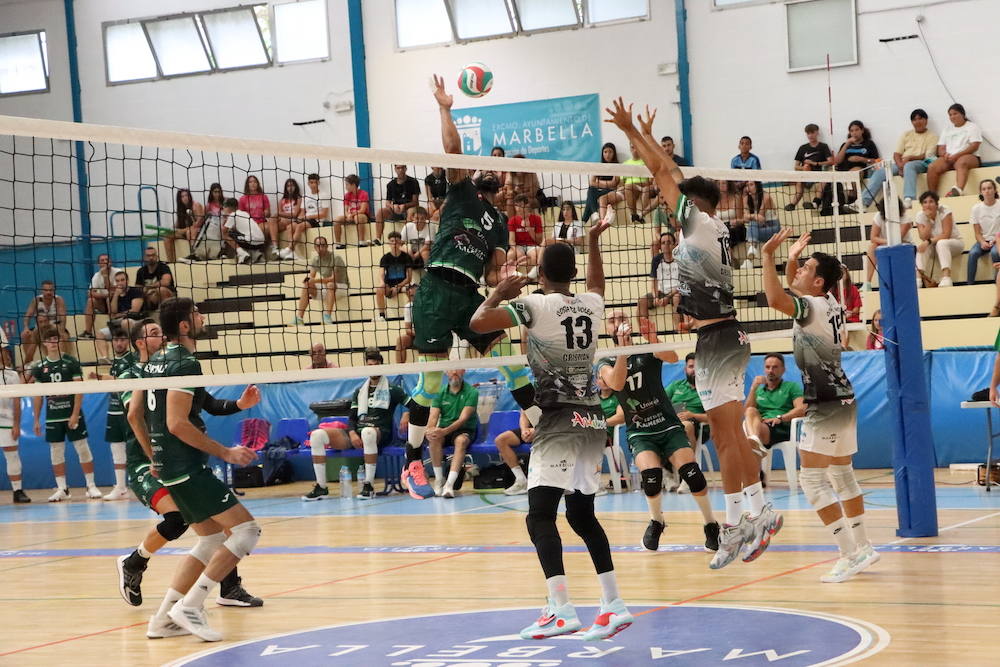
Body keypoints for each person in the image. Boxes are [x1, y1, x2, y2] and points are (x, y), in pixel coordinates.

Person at [606, 98, 780, 570]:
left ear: (691, 203)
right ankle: (752, 514)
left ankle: (743, 521)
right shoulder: (711, 225)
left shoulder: (697, 222)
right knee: (730, 436)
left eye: (677, 198)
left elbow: (663, 177)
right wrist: (643, 135)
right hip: (724, 336)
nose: (668, 202)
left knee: (725, 439)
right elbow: (669, 172)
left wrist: (628, 133)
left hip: (718, 339)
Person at [470, 216, 632, 642]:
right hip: (592, 420)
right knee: (581, 514)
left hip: (559, 420)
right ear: (573, 274)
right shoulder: (592, 305)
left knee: (540, 514)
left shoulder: (534, 306)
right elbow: (597, 284)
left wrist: (499, 292)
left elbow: (477, 324)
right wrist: (594, 241)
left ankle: (561, 608)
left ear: (540, 276)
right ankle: (613, 604)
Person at [401, 75, 538, 501]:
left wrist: (515, 279)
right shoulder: (461, 196)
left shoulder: (498, 223)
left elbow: (496, 274)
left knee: (511, 360)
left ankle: (547, 428)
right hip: (436, 289)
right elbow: (453, 151)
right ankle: (412, 462)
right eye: (491, 173)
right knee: (433, 385)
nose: (496, 177)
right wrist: (445, 107)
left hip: (470, 297)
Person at [118, 319, 263, 615]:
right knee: (178, 520)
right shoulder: (136, 372)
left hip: (172, 458)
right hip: (147, 461)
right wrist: (152, 457)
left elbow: (207, 402)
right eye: (155, 333)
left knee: (216, 528)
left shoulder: (176, 365)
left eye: (161, 330)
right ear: (141, 343)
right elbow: (135, 416)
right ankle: (135, 562)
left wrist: (239, 404)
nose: (162, 336)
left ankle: (221, 590)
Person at [759, 228, 879, 583]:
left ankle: (849, 553)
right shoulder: (829, 302)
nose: (797, 271)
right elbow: (794, 288)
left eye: (805, 268)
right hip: (842, 396)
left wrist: (768, 255)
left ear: (819, 281)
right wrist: (794, 257)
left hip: (824, 400)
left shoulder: (809, 306)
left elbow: (775, 298)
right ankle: (864, 547)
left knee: (813, 480)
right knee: (842, 476)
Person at [598, 312, 719, 553]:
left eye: (622, 316)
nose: (618, 321)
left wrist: (653, 336)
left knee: (691, 473)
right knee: (651, 478)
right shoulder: (605, 362)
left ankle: (711, 524)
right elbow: (618, 384)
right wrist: (623, 350)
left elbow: (672, 357)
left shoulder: (648, 348)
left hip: (666, 423)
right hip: (640, 431)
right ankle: (657, 521)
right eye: (612, 319)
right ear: (606, 328)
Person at [303, 348, 407, 500]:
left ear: (382, 366)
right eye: (369, 365)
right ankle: (321, 487)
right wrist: (351, 433)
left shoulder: (393, 389)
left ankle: (368, 485)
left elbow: (412, 404)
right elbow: (352, 418)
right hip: (358, 432)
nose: (373, 369)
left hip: (380, 433)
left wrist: (406, 413)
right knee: (317, 435)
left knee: (368, 432)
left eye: (376, 365)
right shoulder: (360, 391)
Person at [31, 325, 102, 501]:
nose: (53, 342)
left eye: (55, 339)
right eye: (49, 340)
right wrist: (36, 420)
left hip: (72, 414)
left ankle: (91, 486)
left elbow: (79, 389)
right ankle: (63, 488)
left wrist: (75, 413)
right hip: (53, 417)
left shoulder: (71, 362)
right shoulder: (40, 367)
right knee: (56, 451)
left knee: (82, 448)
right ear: (44, 343)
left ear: (60, 341)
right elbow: (38, 396)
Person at [89, 327, 133, 501]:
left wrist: (100, 377)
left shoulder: (132, 359)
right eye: (116, 340)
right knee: (117, 449)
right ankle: (121, 487)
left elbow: (124, 381)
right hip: (113, 410)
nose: (119, 343)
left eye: (122, 340)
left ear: (128, 342)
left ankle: (153, 484)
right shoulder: (116, 361)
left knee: (139, 449)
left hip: (129, 410)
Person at [863, 109, 938, 209]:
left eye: (920, 119)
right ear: (912, 122)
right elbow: (897, 154)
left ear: (926, 120)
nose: (917, 122)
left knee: (909, 165)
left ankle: (909, 198)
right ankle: (863, 202)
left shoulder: (932, 136)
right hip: (902, 163)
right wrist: (900, 165)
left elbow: (928, 156)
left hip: (921, 163)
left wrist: (910, 158)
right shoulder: (906, 134)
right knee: (881, 172)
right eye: (914, 120)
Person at [426, 368, 478, 498]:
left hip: (464, 429)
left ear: (464, 371)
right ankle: (439, 481)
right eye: (451, 369)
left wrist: (444, 431)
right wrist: (430, 430)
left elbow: (463, 419)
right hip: (444, 429)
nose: (454, 372)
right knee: (433, 439)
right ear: (445, 372)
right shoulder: (439, 392)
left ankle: (449, 484)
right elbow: (433, 417)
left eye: (457, 369)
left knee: (461, 441)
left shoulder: (472, 392)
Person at [745, 354, 805, 458]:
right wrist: (753, 388)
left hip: (782, 427)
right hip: (762, 427)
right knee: (750, 411)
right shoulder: (759, 390)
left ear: (783, 370)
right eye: (767, 367)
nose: (770, 370)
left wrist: (781, 418)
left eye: (775, 367)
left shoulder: (791, 387)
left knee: (747, 438)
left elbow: (802, 409)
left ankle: (754, 444)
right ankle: (754, 442)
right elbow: (747, 412)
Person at [927, 103, 982, 197]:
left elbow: (974, 146)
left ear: (963, 114)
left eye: (955, 113)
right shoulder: (947, 129)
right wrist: (944, 155)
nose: (952, 116)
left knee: (961, 162)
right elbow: (941, 148)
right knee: (932, 167)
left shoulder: (972, 126)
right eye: (950, 115)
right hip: (949, 158)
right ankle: (932, 195)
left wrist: (957, 155)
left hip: (970, 157)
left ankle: (958, 190)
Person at [294, 236, 348, 326]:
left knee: (330, 284)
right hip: (328, 288)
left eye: (323, 245)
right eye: (318, 246)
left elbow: (334, 278)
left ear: (327, 246)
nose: (321, 248)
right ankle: (299, 318)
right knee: (307, 286)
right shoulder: (315, 260)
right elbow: (312, 277)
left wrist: (315, 281)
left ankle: (327, 318)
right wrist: (308, 281)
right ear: (315, 248)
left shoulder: (336, 258)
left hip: (342, 287)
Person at [95, 270, 145, 364]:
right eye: (117, 281)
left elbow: (135, 310)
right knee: (100, 333)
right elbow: (112, 312)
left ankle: (134, 354)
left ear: (127, 280)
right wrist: (116, 295)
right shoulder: (113, 295)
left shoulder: (136, 291)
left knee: (126, 322)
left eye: (122, 280)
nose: (120, 283)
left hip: (136, 322)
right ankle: (105, 358)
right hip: (118, 324)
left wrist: (118, 315)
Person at [863, 198, 912, 291]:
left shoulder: (906, 218)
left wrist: (885, 242)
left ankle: (901, 284)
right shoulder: (878, 216)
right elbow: (873, 238)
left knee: (897, 248)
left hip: (902, 245)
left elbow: (898, 239)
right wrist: (886, 242)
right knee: (872, 247)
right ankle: (867, 283)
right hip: (885, 244)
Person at [915, 190, 962, 287]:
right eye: (925, 202)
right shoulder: (920, 215)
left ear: (937, 204)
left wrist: (928, 242)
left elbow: (946, 234)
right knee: (921, 247)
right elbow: (923, 237)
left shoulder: (944, 210)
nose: (928, 205)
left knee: (941, 243)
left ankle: (946, 277)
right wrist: (928, 220)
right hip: (934, 246)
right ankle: (918, 279)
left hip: (954, 243)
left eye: (931, 201)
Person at [638, 231, 683, 332]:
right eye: (663, 243)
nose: (666, 245)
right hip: (661, 292)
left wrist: (668, 297)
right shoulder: (656, 260)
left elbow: (683, 284)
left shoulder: (680, 259)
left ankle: (679, 330)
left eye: (669, 242)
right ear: (660, 246)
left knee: (676, 298)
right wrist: (655, 297)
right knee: (642, 301)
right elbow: (654, 281)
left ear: (674, 244)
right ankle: (645, 332)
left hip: (676, 292)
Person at [1, 340, 28, 503]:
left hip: (6, 421)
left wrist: (16, 424)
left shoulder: (12, 375)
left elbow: (17, 402)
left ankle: (17, 491)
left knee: (12, 455)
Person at [666, 353, 710, 449]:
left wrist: (693, 415)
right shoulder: (676, 385)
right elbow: (660, 401)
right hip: (673, 421)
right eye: (691, 366)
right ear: (685, 369)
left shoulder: (709, 389)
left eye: (698, 367)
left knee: (684, 426)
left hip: (696, 426)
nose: (694, 370)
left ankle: (688, 462)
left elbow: (715, 417)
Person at [19, 279, 68, 366]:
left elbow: (63, 317)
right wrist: (26, 327)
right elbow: (28, 315)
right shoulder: (37, 300)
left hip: (54, 327)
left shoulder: (58, 300)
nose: (48, 292)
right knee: (26, 335)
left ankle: (62, 361)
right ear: (42, 290)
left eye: (51, 290)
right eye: (46, 290)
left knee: (63, 336)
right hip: (39, 328)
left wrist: (62, 330)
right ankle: (28, 363)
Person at [787, 124, 834, 211]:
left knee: (824, 179)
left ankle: (816, 202)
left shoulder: (823, 146)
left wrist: (815, 163)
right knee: (799, 181)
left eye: (812, 133)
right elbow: (796, 166)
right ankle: (793, 204)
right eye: (808, 133)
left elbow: (831, 161)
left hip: (819, 174)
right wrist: (804, 168)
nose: (810, 135)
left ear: (817, 133)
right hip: (806, 175)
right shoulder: (803, 148)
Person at [835, 120, 879, 211]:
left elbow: (876, 161)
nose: (854, 133)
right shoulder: (845, 145)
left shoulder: (869, 144)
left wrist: (861, 159)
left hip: (860, 169)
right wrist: (847, 144)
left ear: (862, 130)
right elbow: (838, 161)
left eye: (857, 130)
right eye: (852, 131)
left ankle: (852, 200)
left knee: (855, 172)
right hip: (844, 170)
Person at [600, 142, 650, 223]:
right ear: (630, 149)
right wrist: (622, 187)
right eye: (633, 147)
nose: (635, 150)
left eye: (637, 147)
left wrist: (633, 185)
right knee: (602, 199)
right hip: (626, 190)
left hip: (640, 189)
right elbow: (621, 183)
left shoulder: (646, 162)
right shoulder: (625, 164)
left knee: (628, 187)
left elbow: (649, 182)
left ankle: (634, 215)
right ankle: (603, 222)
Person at [80, 254, 123, 339]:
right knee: (90, 301)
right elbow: (90, 293)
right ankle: (88, 332)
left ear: (110, 261)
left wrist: (105, 276)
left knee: (109, 298)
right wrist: (105, 295)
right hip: (104, 302)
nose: (105, 262)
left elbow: (114, 290)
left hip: (119, 301)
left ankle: (114, 328)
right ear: (99, 264)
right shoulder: (97, 275)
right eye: (102, 260)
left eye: (106, 260)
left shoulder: (118, 271)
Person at [375, 164, 421, 243]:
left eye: (402, 167)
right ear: (395, 169)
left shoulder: (413, 182)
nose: (400, 170)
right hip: (395, 210)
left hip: (408, 209)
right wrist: (393, 206)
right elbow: (387, 203)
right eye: (398, 168)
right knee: (380, 212)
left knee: (411, 211)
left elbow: (415, 202)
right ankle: (378, 239)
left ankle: (404, 239)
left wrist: (404, 206)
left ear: (406, 168)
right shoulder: (390, 184)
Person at [968, 179, 1000, 284]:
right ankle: (970, 284)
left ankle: (997, 283)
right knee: (973, 253)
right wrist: (982, 242)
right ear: (981, 192)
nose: (987, 191)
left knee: (995, 252)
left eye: (990, 188)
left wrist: (996, 240)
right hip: (984, 240)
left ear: (995, 190)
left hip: (998, 239)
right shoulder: (976, 209)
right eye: (984, 189)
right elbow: (977, 233)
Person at [375, 231, 413, 320]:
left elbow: (409, 278)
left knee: (410, 290)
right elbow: (381, 274)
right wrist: (382, 283)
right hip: (389, 286)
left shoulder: (406, 257)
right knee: (379, 289)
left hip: (403, 284)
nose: (394, 243)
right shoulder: (385, 258)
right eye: (392, 241)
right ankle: (382, 316)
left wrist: (398, 286)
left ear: (400, 242)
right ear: (389, 243)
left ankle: (409, 315)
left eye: (396, 241)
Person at [495, 410, 532, 496]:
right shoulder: (527, 397)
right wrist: (524, 430)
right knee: (501, 440)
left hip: (549, 428)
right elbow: (524, 415)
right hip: (530, 428)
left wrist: (536, 430)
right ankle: (521, 480)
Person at [271, 177, 309, 260]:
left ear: (295, 187)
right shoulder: (282, 200)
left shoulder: (298, 198)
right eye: (288, 186)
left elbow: (295, 214)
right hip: (284, 221)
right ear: (286, 188)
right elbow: (279, 213)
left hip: (294, 220)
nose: (290, 188)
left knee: (275, 216)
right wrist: (279, 216)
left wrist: (279, 214)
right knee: (272, 219)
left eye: (292, 185)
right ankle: (275, 246)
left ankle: (290, 251)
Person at [742, 181, 780, 263]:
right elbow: (745, 217)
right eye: (747, 185)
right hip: (758, 228)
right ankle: (751, 253)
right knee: (752, 224)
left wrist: (751, 216)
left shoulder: (765, 196)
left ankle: (751, 251)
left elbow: (760, 218)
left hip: (772, 228)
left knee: (752, 224)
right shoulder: (746, 199)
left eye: (751, 184)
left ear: (757, 185)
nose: (749, 187)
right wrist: (754, 216)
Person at [583, 142, 620, 223]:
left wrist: (599, 182)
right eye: (605, 152)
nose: (607, 154)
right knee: (591, 189)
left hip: (610, 192)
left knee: (590, 196)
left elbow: (614, 184)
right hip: (599, 191)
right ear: (602, 153)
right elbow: (591, 183)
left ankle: (584, 220)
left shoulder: (617, 166)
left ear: (614, 153)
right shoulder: (599, 166)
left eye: (610, 152)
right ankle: (594, 213)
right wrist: (607, 184)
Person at [222, 197, 267, 264]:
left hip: (252, 242)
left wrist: (224, 221)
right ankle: (255, 255)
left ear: (228, 208)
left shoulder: (232, 215)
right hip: (261, 242)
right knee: (239, 235)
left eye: (225, 207)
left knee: (226, 235)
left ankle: (241, 253)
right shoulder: (245, 213)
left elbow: (224, 232)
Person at [165, 189, 205, 263]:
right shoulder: (181, 209)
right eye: (182, 196)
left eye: (186, 195)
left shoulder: (196, 205)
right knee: (167, 236)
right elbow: (177, 225)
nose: (185, 198)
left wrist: (182, 230)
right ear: (179, 199)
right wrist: (169, 229)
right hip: (185, 231)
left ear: (189, 196)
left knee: (189, 232)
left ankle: (193, 255)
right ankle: (171, 262)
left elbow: (198, 225)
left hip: (198, 232)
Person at [506, 194, 543, 271]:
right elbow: (511, 241)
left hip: (532, 246)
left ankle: (531, 278)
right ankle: (513, 278)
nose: (518, 209)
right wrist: (517, 251)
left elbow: (539, 241)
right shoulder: (512, 220)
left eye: (521, 205)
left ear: (527, 205)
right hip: (518, 246)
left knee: (535, 254)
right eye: (516, 206)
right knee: (510, 255)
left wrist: (529, 228)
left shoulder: (537, 219)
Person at [333, 174, 370, 248]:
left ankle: (361, 242)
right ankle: (338, 244)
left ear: (353, 185)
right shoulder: (347, 195)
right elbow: (345, 210)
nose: (345, 187)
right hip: (351, 215)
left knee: (357, 218)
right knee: (336, 220)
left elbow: (362, 210)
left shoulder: (364, 194)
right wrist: (348, 215)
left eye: (347, 185)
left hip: (362, 216)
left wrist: (351, 215)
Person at [135, 246, 175, 311]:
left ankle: (166, 312)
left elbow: (166, 282)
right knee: (140, 295)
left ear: (157, 256)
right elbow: (138, 288)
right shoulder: (141, 271)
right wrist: (145, 291)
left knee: (161, 290)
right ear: (144, 257)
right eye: (148, 256)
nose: (151, 258)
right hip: (150, 295)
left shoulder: (164, 267)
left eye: (153, 255)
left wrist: (150, 288)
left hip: (169, 295)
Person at [401, 206, 435, 270]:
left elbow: (427, 245)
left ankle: (428, 270)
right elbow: (400, 243)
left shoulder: (430, 225)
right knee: (402, 252)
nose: (419, 221)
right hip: (413, 253)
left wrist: (415, 256)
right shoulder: (408, 226)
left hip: (428, 254)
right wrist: (408, 250)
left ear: (426, 218)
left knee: (425, 252)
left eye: (422, 218)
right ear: (412, 218)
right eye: (417, 218)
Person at [395, 284, 419, 363]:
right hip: (416, 335)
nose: (413, 298)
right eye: (411, 296)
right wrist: (418, 334)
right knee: (401, 340)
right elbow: (408, 330)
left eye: (415, 295)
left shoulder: (430, 305)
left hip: (429, 336)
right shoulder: (408, 307)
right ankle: (400, 370)